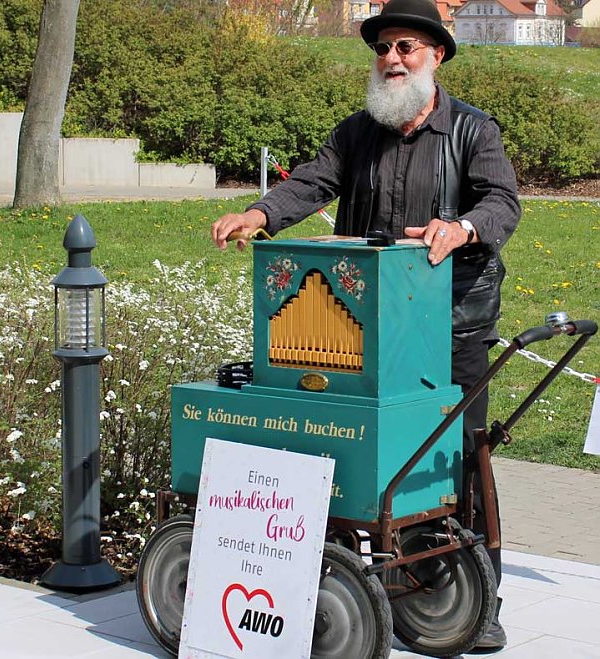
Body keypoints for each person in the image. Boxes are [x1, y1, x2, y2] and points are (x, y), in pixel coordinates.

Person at [211, 0, 520, 650]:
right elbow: (312, 182)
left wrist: (459, 227)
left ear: (436, 56)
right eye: (383, 48)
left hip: (452, 325)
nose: (392, 59)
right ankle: (369, 575)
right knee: (372, 455)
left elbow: (502, 202)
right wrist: (260, 214)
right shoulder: (356, 132)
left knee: (458, 459)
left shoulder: (472, 131)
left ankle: (478, 597)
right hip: (367, 332)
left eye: (407, 47)